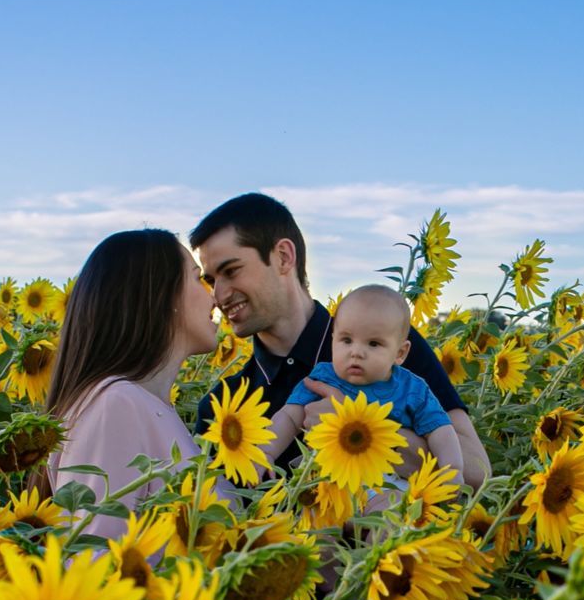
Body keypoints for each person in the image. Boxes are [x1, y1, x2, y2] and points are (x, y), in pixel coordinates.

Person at [189, 193, 492, 486]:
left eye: (231, 271)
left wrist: (358, 427)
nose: (218, 295)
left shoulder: (384, 344)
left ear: (283, 257)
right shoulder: (221, 409)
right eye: (211, 281)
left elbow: (477, 471)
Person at [39, 229, 224, 541]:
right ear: (161, 296)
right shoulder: (116, 405)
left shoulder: (143, 404)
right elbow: (94, 556)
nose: (214, 297)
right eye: (197, 279)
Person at [260, 285, 463, 480]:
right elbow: (290, 416)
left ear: (400, 353)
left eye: (373, 343)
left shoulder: (412, 389)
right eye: (346, 340)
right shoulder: (324, 377)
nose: (356, 352)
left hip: (388, 479)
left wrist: (452, 470)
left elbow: (440, 430)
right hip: (329, 479)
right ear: (333, 341)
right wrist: (266, 451)